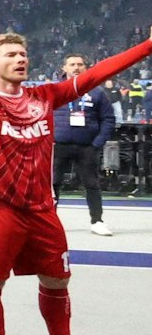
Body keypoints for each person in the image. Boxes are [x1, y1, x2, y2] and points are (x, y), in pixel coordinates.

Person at [0, 12, 150, 335]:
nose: (20, 59)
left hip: (42, 208)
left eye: (23, 54)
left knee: (57, 279)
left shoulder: (44, 96)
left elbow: (95, 76)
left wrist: (147, 46)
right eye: (11, 54)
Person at [50, 53, 115, 237]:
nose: (76, 67)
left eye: (80, 64)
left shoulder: (97, 92)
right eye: (72, 64)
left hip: (87, 146)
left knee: (92, 184)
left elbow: (108, 119)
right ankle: (48, 221)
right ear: (64, 68)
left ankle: (97, 221)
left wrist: (97, 143)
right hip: (58, 145)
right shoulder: (55, 90)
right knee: (53, 184)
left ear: (85, 68)